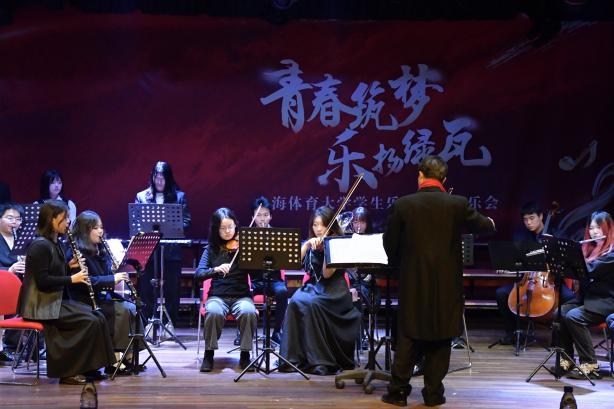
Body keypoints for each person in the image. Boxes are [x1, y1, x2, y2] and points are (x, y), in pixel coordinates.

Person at [381, 155, 495, 407]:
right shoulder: (457, 203)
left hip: (413, 283)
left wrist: (402, 264)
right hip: (446, 286)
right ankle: (433, 394)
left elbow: (390, 245)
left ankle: (398, 392)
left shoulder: (403, 204)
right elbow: (485, 226)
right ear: (444, 179)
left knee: (408, 336)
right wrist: (491, 222)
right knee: (441, 336)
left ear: (420, 175)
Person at [17, 200, 115, 385]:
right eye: (64, 218)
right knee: (87, 320)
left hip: (52, 301)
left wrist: (68, 266)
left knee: (97, 316)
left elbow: (53, 272)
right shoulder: (39, 246)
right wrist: (72, 278)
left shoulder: (54, 243)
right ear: (52, 219)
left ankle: (90, 368)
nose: (68, 222)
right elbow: (43, 281)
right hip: (39, 306)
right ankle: (68, 372)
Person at [279, 206, 362, 375]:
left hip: (335, 290)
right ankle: (294, 358)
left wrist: (329, 246)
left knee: (313, 304)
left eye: (322, 225)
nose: (318, 229)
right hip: (314, 286)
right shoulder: (312, 243)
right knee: (295, 301)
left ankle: (319, 360)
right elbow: (292, 262)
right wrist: (307, 245)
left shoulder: (337, 243)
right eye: (315, 225)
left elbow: (327, 273)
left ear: (330, 226)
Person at [67, 210, 141, 375]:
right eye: (95, 228)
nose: (100, 231)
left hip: (101, 295)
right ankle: (114, 359)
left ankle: (127, 357)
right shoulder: (75, 252)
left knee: (132, 307)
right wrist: (111, 279)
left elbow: (103, 274)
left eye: (101, 227)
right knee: (122, 310)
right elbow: (86, 281)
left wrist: (112, 271)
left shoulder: (99, 249)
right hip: (83, 299)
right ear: (85, 231)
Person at [494, 201, 576, 344]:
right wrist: (507, 266)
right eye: (525, 219)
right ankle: (512, 333)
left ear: (541, 216)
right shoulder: (521, 237)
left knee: (570, 299)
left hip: (551, 282)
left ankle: (558, 336)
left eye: (532, 218)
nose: (528, 223)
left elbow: (567, 259)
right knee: (501, 293)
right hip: (527, 281)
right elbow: (516, 260)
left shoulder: (557, 234)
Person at [194, 208, 257, 372]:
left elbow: (257, 275)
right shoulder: (211, 249)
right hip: (218, 296)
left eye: (231, 227)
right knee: (213, 312)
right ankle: (209, 354)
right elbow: (199, 274)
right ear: (216, 229)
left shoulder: (244, 247)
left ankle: (245, 355)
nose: (228, 231)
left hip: (241, 296)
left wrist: (254, 255)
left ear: (236, 226)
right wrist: (215, 269)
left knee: (248, 311)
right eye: (223, 228)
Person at [558, 211, 614, 379]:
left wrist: (569, 256)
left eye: (598, 228)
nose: (594, 232)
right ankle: (567, 360)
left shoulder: (612, 253)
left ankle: (590, 365)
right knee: (560, 312)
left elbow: (588, 271)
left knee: (574, 317)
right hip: (589, 299)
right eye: (591, 228)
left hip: (606, 301)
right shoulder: (590, 249)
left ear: (608, 228)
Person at [135, 161, 191, 326]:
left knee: (172, 289)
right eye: (156, 177)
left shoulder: (179, 197)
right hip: (148, 251)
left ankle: (169, 324)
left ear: (169, 178)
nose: (159, 181)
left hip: (171, 251)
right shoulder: (141, 196)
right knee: (146, 289)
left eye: (163, 178)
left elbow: (186, 220)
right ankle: (147, 323)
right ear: (152, 178)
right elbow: (136, 221)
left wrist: (172, 228)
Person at [247, 196, 288, 345]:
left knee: (282, 292)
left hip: (273, 279)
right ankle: (244, 332)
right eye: (258, 215)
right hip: (255, 280)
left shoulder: (278, 236)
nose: (262, 219)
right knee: (243, 290)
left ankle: (277, 332)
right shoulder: (247, 236)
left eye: (265, 215)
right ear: (253, 217)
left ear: (271, 216)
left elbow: (284, 259)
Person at [347, 206, 381, 350]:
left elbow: (377, 267)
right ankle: (354, 336)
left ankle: (361, 337)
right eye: (355, 222)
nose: (358, 226)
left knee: (358, 294)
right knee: (352, 293)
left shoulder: (374, 240)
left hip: (367, 283)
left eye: (362, 222)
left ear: (368, 223)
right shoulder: (346, 239)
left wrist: (369, 275)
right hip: (350, 282)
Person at [0, 202, 25, 364]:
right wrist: (10, 269)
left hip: (20, 283)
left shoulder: (21, 239)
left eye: (18, 219)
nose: (14, 222)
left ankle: (22, 346)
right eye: (10, 218)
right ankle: (4, 348)